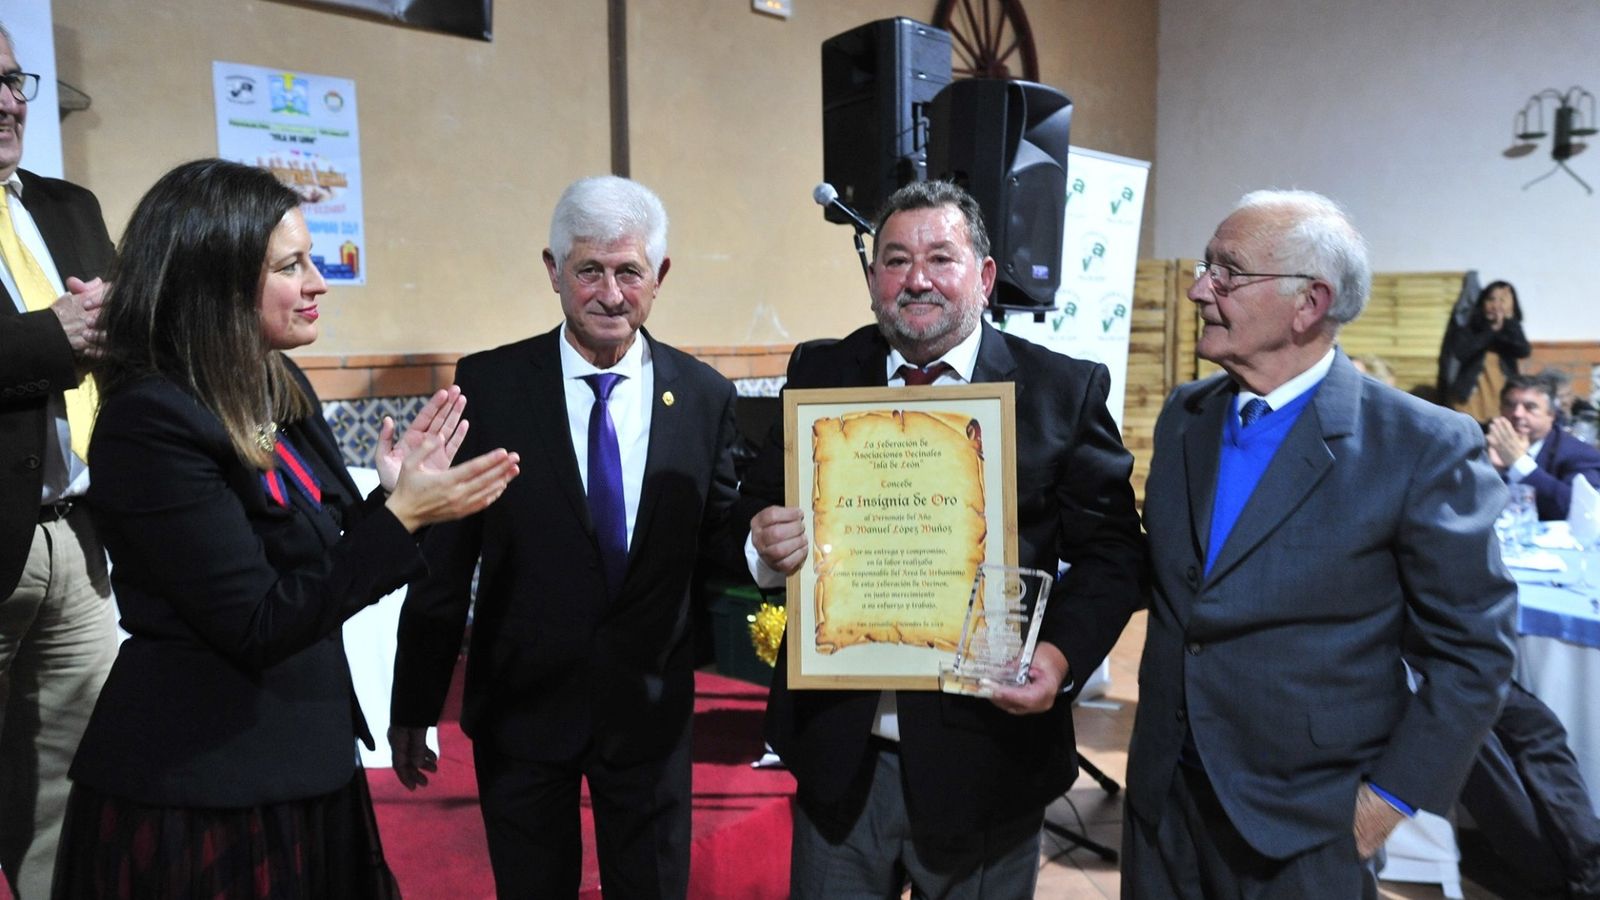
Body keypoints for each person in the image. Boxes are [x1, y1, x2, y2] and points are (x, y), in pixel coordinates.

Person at [50, 158, 520, 898]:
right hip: (205, 782)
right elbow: (258, 621)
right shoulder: (151, 422)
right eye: (291, 265)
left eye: (312, 260)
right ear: (218, 280)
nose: (318, 283)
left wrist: (392, 496)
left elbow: (321, 559)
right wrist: (403, 518)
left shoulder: (275, 385)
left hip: (302, 757)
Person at [738, 180, 1146, 898]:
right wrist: (762, 546)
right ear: (873, 279)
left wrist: (1057, 659)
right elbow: (754, 510)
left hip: (988, 762)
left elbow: (1114, 555)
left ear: (984, 277)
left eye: (940, 258)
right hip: (841, 762)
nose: (916, 279)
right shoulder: (821, 374)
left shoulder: (1060, 391)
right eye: (895, 260)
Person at [1126, 190, 1516, 898]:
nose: (1199, 289)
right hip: (1163, 807)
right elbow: (1167, 579)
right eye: (1206, 268)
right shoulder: (1187, 415)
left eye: (1227, 271)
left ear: (1309, 303)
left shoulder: (1421, 446)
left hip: (1306, 829)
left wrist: (1384, 805)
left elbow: (1474, 655)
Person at [389, 175, 740, 899]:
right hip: (523, 714)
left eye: (629, 272)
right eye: (589, 271)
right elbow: (445, 564)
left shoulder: (706, 397)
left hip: (649, 718)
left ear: (660, 275)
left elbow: (720, 543)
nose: (610, 294)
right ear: (552, 270)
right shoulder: (490, 386)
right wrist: (414, 705)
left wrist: (770, 549)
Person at [0, 23, 119, 899]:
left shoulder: (70, 206)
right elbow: (54, 339)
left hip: (76, 541)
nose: (8, 103)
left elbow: (115, 340)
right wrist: (54, 337)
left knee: (71, 793)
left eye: (14, 81)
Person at [1487, 373, 1600, 520]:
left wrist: (1519, 464)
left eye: (1530, 407)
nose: (1517, 413)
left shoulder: (1579, 453)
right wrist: (1493, 472)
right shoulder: (1481, 446)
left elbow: (1583, 510)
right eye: (1510, 405)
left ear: (1551, 414)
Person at [1438, 279, 1531, 422]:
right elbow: (1461, 352)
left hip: (1500, 398)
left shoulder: (1511, 329)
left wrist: (1509, 320)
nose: (1495, 305)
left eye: (1502, 300)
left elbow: (1523, 350)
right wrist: (1491, 330)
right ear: (1482, 302)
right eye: (1491, 299)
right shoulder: (1470, 327)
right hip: (1470, 398)